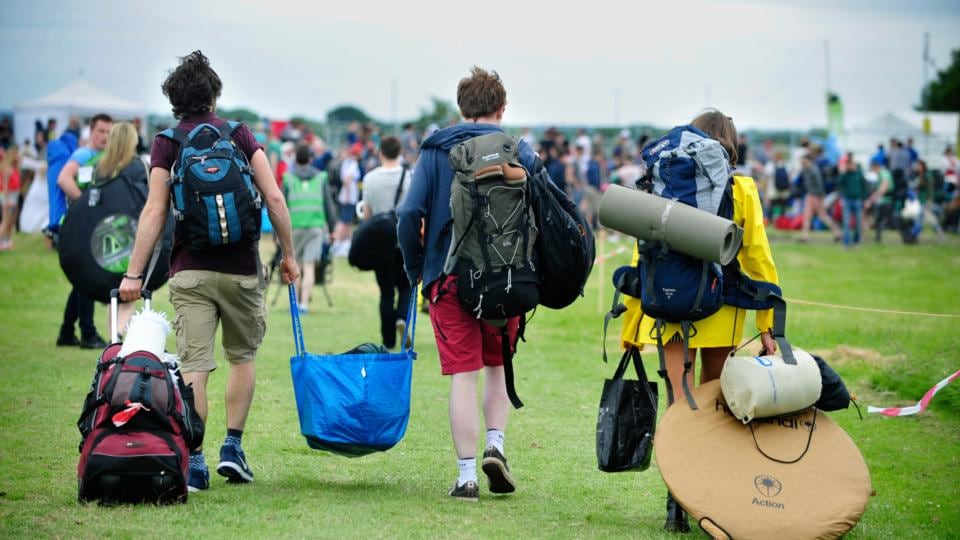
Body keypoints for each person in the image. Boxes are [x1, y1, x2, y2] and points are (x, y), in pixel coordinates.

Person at [118, 50, 299, 493]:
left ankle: (194, 458)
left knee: (196, 364)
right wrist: (289, 255)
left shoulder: (167, 142)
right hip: (241, 269)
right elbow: (273, 198)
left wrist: (133, 275)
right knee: (243, 356)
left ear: (174, 99)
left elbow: (155, 210)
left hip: (189, 269)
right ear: (214, 94)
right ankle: (232, 449)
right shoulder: (239, 134)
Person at [619, 110, 781, 532]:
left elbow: (644, 257)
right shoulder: (741, 187)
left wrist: (631, 327)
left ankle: (676, 503)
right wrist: (768, 325)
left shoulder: (662, 181)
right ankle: (709, 497)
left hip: (669, 309)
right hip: (721, 310)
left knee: (679, 402)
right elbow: (758, 257)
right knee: (714, 405)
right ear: (729, 143)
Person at [397, 67, 539, 502]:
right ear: (501, 107)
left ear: (461, 108)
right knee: (497, 366)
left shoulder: (435, 150)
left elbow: (408, 216)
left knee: (463, 375)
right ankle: (496, 445)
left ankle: (465, 477)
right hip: (507, 277)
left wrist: (417, 269)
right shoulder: (520, 151)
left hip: (449, 276)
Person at [55, 113, 113, 349]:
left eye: (109, 132)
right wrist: (84, 206)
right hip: (79, 226)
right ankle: (88, 333)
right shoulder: (83, 155)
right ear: (91, 131)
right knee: (88, 277)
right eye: (101, 131)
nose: (105, 136)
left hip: (92, 226)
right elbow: (63, 179)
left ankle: (67, 332)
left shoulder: (105, 157)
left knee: (81, 280)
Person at [360, 136, 412, 350]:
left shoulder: (370, 178)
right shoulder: (409, 177)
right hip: (403, 241)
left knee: (386, 293)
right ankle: (402, 318)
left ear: (381, 152)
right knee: (406, 287)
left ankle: (388, 340)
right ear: (400, 152)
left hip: (381, 244)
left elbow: (368, 215)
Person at [284, 143, 335, 313]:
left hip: (294, 227)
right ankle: (304, 304)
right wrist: (333, 228)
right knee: (309, 266)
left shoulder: (288, 178)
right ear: (311, 159)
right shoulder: (321, 177)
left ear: (295, 158)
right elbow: (329, 205)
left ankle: (296, 304)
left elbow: (281, 205)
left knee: (295, 265)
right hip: (315, 226)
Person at [799, 154, 841, 242]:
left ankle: (837, 233)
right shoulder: (806, 170)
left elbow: (820, 185)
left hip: (815, 196)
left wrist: (820, 198)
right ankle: (804, 236)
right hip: (810, 195)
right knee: (808, 216)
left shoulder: (814, 170)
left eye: (804, 161)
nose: (802, 163)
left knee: (822, 216)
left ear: (809, 161)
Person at [835, 153, 868, 247]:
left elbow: (864, 186)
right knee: (846, 222)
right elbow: (838, 183)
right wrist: (844, 172)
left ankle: (856, 241)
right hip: (847, 200)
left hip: (857, 200)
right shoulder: (845, 174)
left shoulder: (859, 173)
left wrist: (864, 199)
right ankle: (846, 243)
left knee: (858, 223)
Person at [865, 161, 894, 242]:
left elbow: (884, 187)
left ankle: (907, 236)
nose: (873, 172)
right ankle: (877, 239)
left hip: (887, 201)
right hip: (884, 201)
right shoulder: (882, 173)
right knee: (879, 220)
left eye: (872, 170)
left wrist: (872, 199)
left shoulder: (883, 173)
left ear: (875, 167)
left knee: (893, 220)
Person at [0, 145, 21, 251]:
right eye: (15, 154)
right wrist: (7, 201)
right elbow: (5, 186)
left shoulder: (15, 168)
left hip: (15, 196)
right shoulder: (7, 169)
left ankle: (7, 242)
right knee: (5, 221)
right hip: (8, 197)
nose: (17, 156)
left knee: (11, 222)